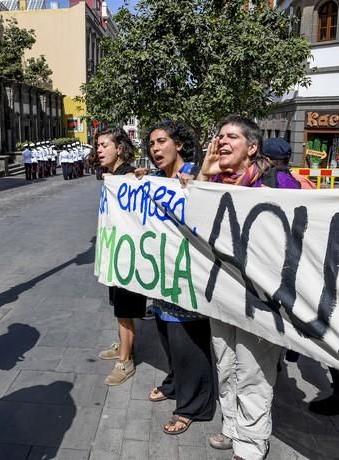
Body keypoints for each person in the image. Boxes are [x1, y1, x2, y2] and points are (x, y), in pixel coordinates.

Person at [197, 116, 301, 460]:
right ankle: (231, 427)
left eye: (232, 137)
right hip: (220, 293)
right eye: (219, 135)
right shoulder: (210, 179)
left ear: (252, 147)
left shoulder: (278, 183)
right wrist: (204, 172)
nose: (222, 141)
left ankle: (252, 444)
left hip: (260, 298)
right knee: (225, 364)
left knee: (253, 370)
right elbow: (191, 220)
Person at [136, 120, 215, 435]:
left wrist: (198, 185)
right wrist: (137, 181)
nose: (155, 149)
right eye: (152, 143)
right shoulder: (156, 179)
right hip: (161, 278)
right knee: (167, 335)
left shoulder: (197, 175)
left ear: (178, 145)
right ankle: (173, 382)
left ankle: (193, 405)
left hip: (189, 280)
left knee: (188, 342)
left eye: (162, 141)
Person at [95, 127, 146, 386]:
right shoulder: (114, 175)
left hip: (129, 257)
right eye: (98, 145)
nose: (99, 150)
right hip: (116, 252)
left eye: (104, 145)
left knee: (125, 310)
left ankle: (125, 362)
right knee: (119, 309)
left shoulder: (128, 175)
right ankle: (123, 346)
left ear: (120, 148)